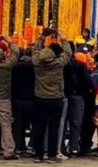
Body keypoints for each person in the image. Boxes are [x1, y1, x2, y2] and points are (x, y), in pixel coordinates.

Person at [31, 28, 72, 164]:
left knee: (39, 127)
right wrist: (63, 38)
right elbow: (68, 52)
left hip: (40, 98)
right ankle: (52, 154)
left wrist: (42, 37)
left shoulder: (37, 62)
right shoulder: (59, 63)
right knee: (54, 127)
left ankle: (38, 155)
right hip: (55, 98)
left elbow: (35, 49)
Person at [63, 45, 92, 157]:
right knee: (76, 122)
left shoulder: (62, 65)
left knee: (63, 122)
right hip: (78, 96)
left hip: (64, 95)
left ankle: (60, 146)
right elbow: (87, 82)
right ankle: (74, 147)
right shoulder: (80, 65)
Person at [11, 48, 35, 158]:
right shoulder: (35, 67)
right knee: (33, 124)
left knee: (18, 124)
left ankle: (18, 147)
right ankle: (31, 146)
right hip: (32, 99)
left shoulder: (15, 67)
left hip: (17, 99)